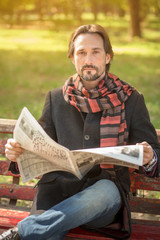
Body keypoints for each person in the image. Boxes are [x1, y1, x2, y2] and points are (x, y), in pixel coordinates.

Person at [1, 24, 160, 240]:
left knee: (104, 190)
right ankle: (31, 231)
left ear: (107, 57)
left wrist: (150, 158)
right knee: (46, 235)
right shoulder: (56, 98)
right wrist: (17, 152)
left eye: (96, 52)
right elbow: (36, 145)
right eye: (81, 52)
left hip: (102, 199)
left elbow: (154, 154)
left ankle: (23, 231)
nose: (88, 59)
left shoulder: (131, 100)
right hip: (55, 194)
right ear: (73, 58)